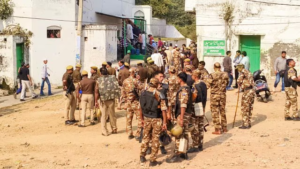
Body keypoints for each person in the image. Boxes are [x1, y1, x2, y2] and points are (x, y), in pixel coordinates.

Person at [139, 78, 167, 167]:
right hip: (156, 118)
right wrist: (165, 122)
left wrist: (141, 119)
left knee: (146, 137)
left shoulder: (143, 93)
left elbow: (140, 107)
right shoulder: (159, 95)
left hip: (146, 117)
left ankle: (142, 155)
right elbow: (163, 110)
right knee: (155, 139)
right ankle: (152, 160)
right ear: (157, 84)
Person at [166, 72, 192, 163]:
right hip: (185, 115)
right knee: (184, 134)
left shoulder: (183, 90)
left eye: (178, 78)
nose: (176, 80)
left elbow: (183, 105)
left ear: (180, 79)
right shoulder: (185, 88)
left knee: (178, 134)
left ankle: (177, 155)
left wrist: (181, 117)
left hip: (183, 115)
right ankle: (184, 153)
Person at [188, 69, 207, 153]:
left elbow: (195, 96)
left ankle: (195, 145)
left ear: (195, 76)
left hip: (195, 106)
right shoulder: (203, 84)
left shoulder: (195, 85)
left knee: (194, 126)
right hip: (201, 106)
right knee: (200, 126)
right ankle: (200, 144)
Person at [207, 63, 229, 134]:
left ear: (214, 67)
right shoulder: (225, 74)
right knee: (222, 111)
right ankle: (224, 127)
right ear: (220, 67)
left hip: (214, 96)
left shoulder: (212, 75)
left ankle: (217, 129)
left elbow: (207, 85)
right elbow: (227, 83)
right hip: (222, 95)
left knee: (215, 112)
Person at [122, 67, 143, 140]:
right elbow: (142, 88)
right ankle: (138, 133)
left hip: (128, 102)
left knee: (129, 118)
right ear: (134, 73)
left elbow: (123, 92)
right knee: (140, 118)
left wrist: (125, 100)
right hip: (136, 102)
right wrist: (139, 80)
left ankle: (130, 133)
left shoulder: (125, 81)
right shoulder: (136, 81)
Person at [98, 68, 119, 135]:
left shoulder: (99, 80)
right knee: (112, 114)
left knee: (103, 115)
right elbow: (116, 87)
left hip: (103, 100)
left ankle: (104, 131)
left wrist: (96, 101)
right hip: (111, 99)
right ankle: (114, 129)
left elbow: (96, 91)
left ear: (100, 73)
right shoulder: (113, 77)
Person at [236, 64, 255, 129]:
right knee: (250, 107)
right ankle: (248, 122)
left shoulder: (243, 72)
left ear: (240, 68)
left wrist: (240, 83)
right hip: (252, 91)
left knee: (245, 108)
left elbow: (238, 80)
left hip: (247, 91)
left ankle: (245, 124)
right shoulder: (249, 72)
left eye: (238, 69)